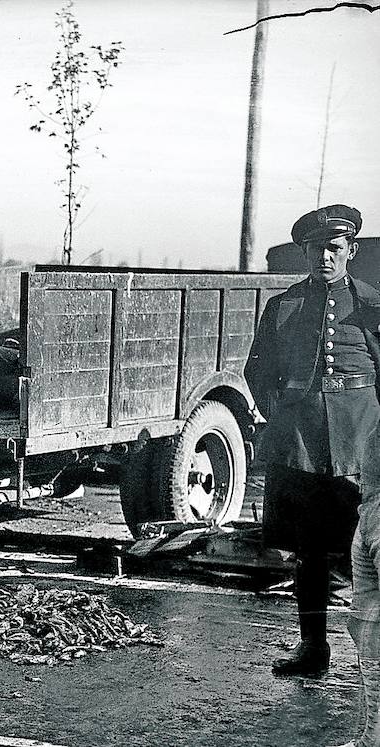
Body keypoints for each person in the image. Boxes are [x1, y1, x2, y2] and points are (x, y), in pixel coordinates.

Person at [245, 204, 378, 683]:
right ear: (304, 252)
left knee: (369, 551)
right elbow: (257, 371)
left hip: (362, 447)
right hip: (300, 446)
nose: (325, 256)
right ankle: (313, 648)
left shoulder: (372, 305)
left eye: (334, 248)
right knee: (309, 553)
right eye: (316, 249)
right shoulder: (284, 307)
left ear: (351, 251)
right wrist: (282, 413)